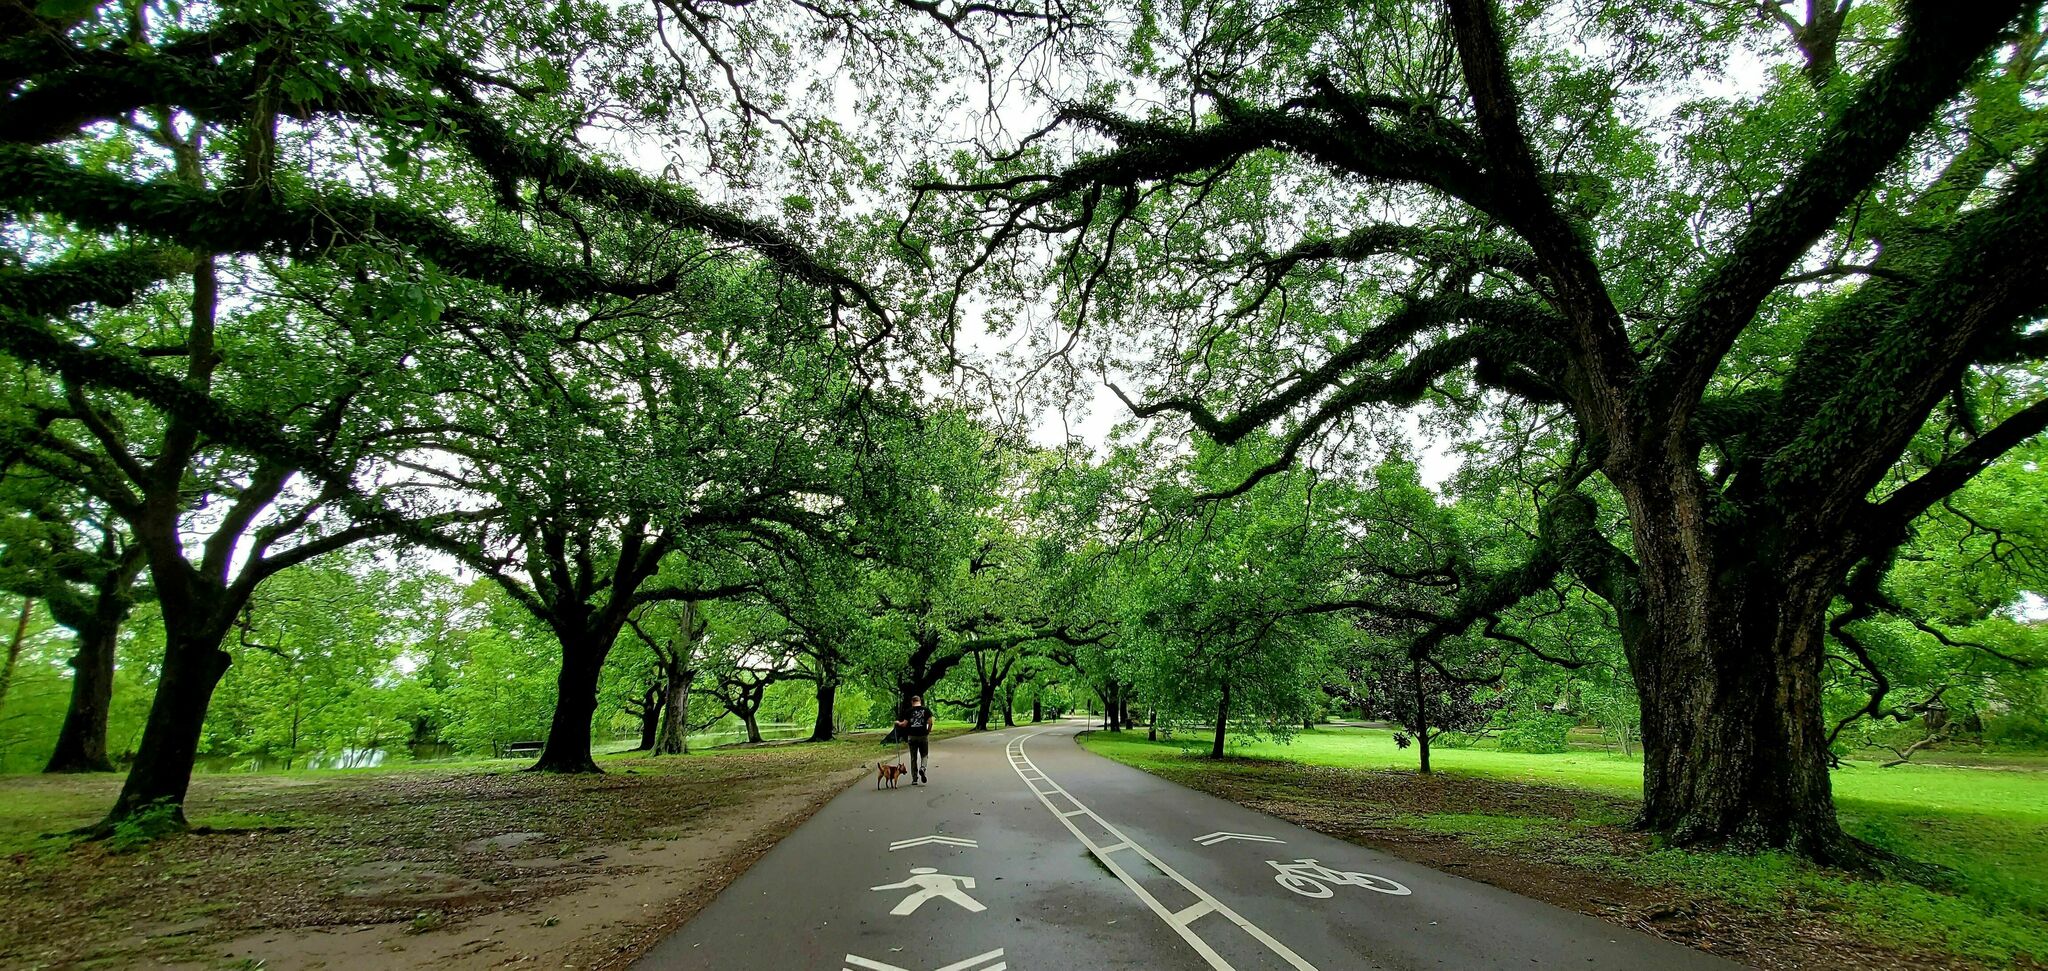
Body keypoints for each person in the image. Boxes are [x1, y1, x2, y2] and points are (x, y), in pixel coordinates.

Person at [896, 694, 934, 784]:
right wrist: (928, 731)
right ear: (920, 701)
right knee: (924, 755)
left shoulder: (909, 711)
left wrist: (897, 722)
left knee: (913, 758)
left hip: (912, 736)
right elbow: (930, 722)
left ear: (912, 702)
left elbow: (904, 724)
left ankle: (914, 779)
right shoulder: (926, 710)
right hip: (923, 736)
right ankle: (923, 768)